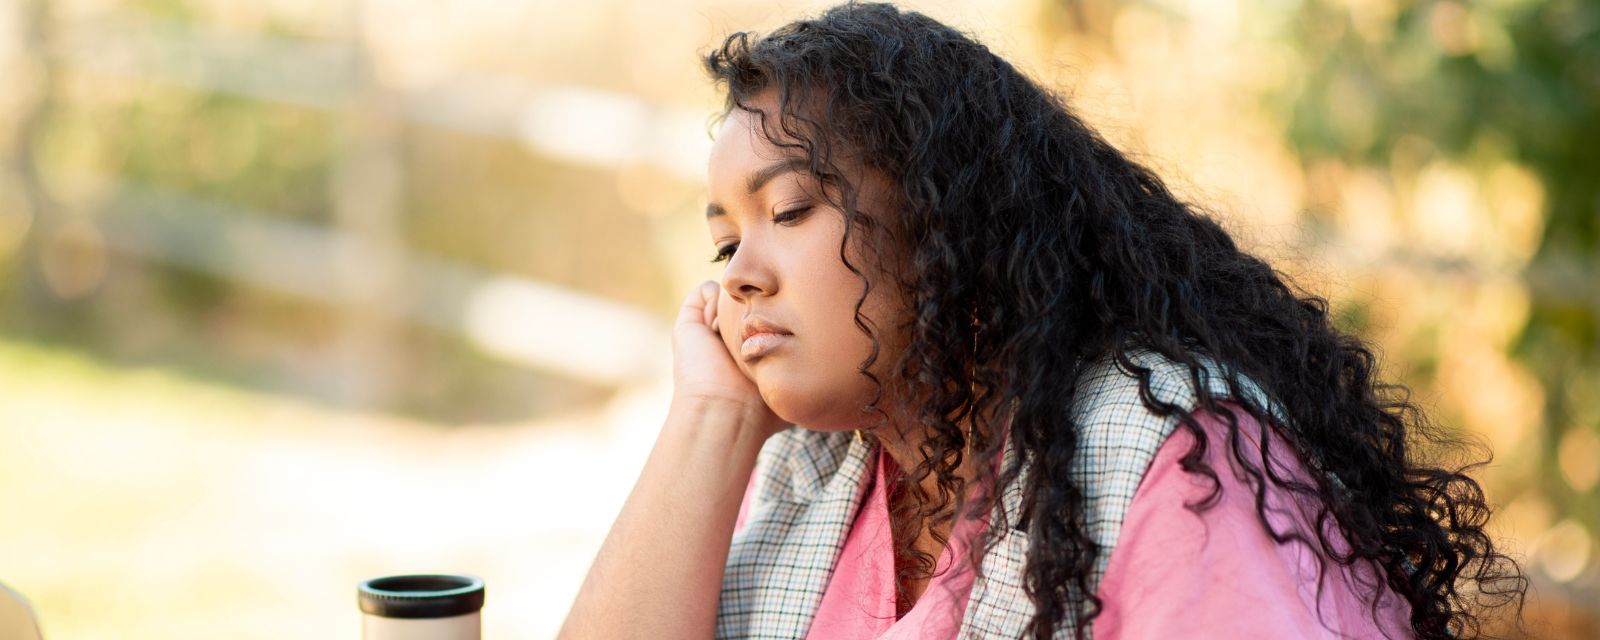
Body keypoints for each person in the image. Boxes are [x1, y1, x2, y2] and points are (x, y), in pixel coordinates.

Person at [558, 3, 1527, 639]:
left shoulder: (1169, 455)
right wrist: (713, 418)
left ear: (944, 215)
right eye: (724, 242)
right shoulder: (819, 470)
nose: (742, 277)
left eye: (792, 209)